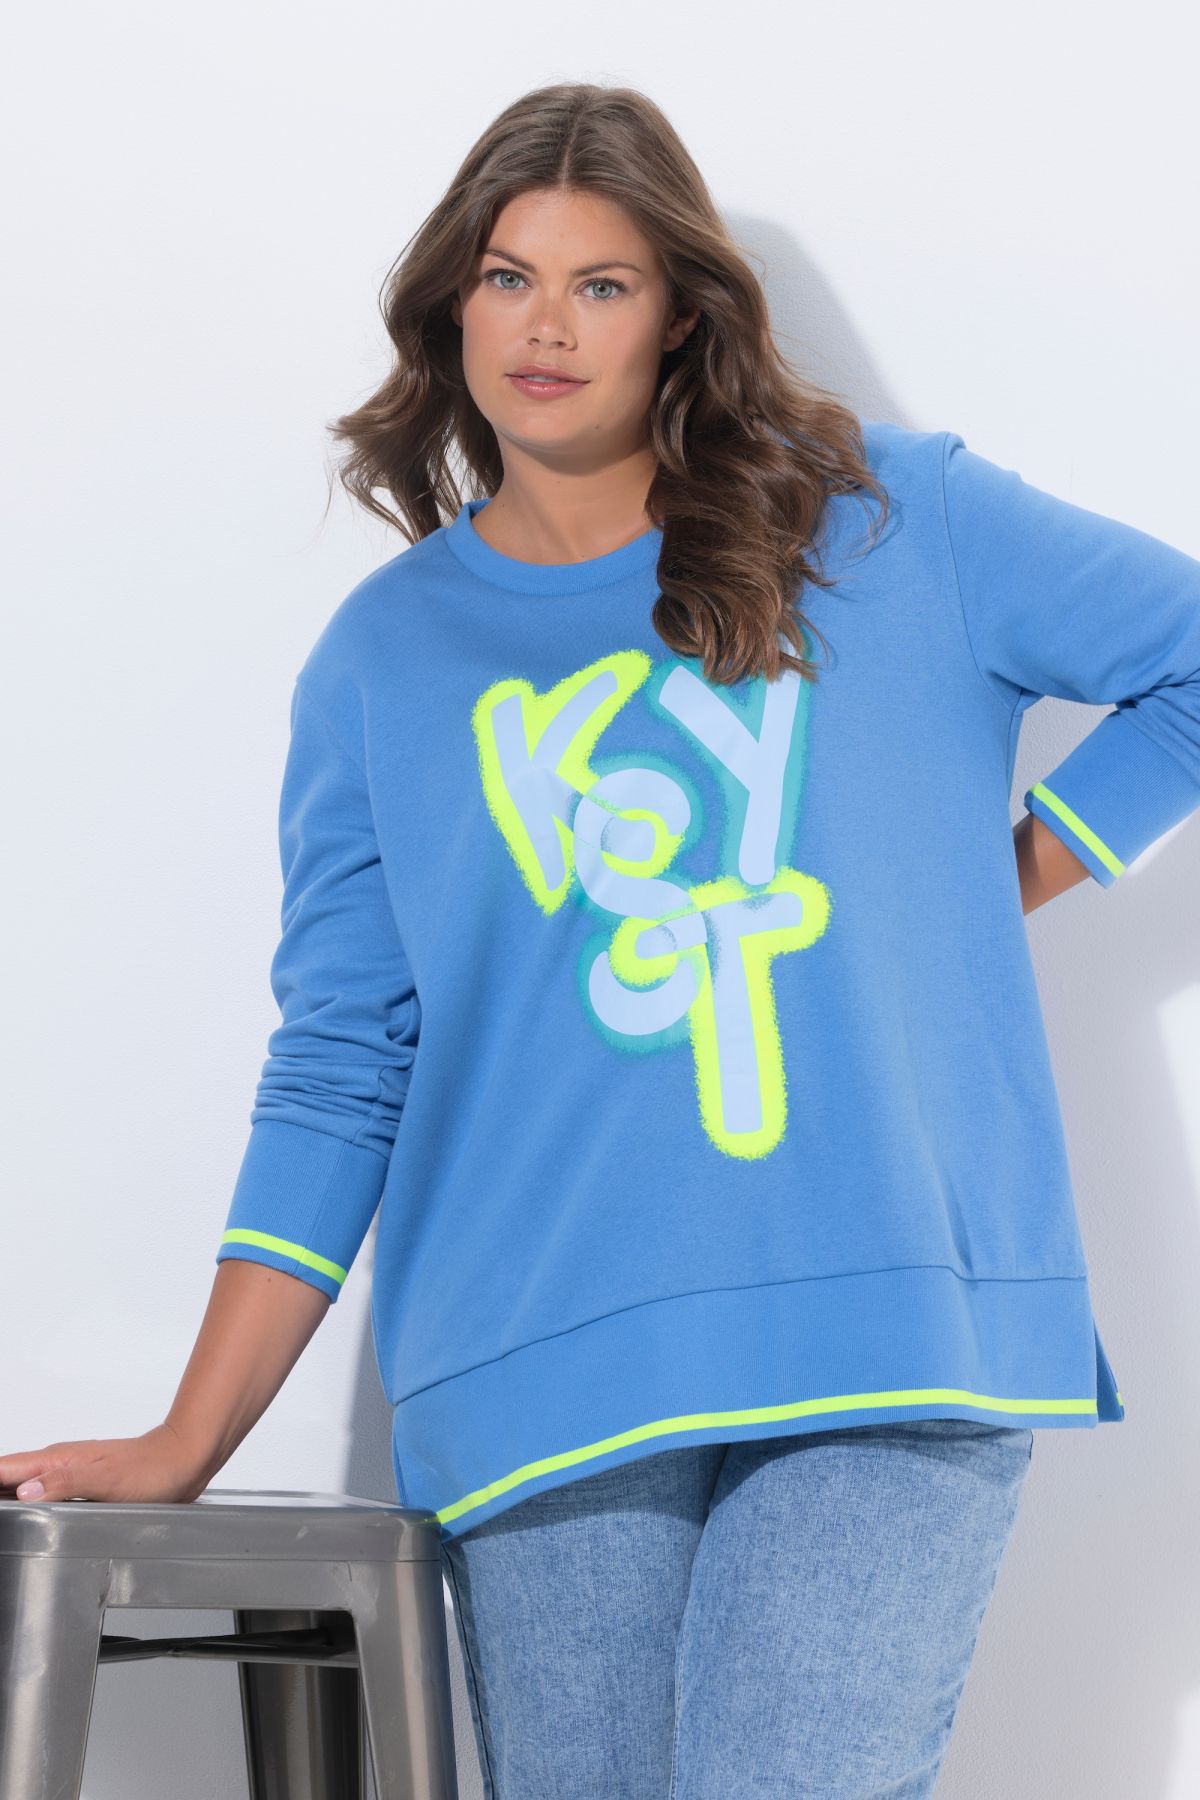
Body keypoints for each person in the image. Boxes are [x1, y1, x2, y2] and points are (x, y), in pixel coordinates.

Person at [4, 80, 1199, 1798]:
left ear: (681, 316)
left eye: (602, 284)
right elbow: (342, 1064)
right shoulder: (384, 661)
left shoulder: (891, 522)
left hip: (883, 1329)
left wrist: (1009, 870)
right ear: (453, 306)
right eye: (509, 278)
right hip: (541, 1369)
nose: (546, 327)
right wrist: (189, 1436)